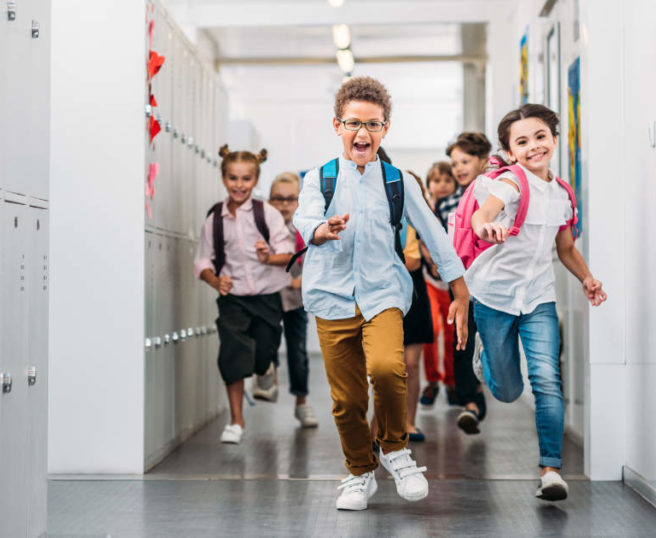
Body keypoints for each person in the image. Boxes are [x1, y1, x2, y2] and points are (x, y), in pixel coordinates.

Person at [293, 77, 470, 511]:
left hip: (383, 294)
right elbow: (304, 219)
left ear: (385, 129)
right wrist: (321, 229)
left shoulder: (398, 182)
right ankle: (358, 473)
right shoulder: (319, 178)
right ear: (337, 125)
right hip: (332, 297)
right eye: (353, 123)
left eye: (373, 125)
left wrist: (460, 291)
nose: (362, 133)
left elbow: (434, 233)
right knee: (346, 400)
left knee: (390, 369)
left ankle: (394, 449)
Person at [468, 104, 607, 501]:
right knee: (509, 391)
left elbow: (565, 247)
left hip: (538, 296)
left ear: (554, 140)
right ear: (511, 152)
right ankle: (488, 357)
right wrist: (487, 225)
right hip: (493, 295)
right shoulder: (510, 183)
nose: (533, 147)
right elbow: (482, 216)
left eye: (540, 137)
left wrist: (587, 278)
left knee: (547, 379)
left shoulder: (563, 193)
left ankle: (550, 470)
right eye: (522, 142)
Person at [193, 145, 295, 445]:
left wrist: (268, 257)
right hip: (233, 297)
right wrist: (215, 281)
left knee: (264, 350)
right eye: (233, 178)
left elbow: (288, 254)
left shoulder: (269, 214)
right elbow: (203, 260)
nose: (239, 185)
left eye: (246, 179)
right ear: (224, 178)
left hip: (266, 296)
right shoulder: (215, 218)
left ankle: (266, 369)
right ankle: (236, 420)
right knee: (232, 354)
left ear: (255, 180)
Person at [442, 132, 494, 434]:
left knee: (487, 346)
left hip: (489, 285)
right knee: (460, 342)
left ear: (483, 161)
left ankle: (481, 397)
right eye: (454, 163)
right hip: (462, 285)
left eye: (465, 160)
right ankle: (472, 403)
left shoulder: (492, 194)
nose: (459, 168)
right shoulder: (449, 202)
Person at [266, 172, 319, 428]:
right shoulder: (263, 226)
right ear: (269, 200)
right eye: (278, 199)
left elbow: (316, 259)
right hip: (269, 295)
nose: (285, 205)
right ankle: (270, 379)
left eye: (291, 199)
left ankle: (301, 402)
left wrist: (302, 280)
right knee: (267, 341)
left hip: (295, 297)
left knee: (297, 350)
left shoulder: (304, 228)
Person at [419, 162, 458, 408]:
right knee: (431, 331)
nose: (442, 185)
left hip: (453, 283)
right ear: (429, 185)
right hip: (430, 280)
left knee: (452, 333)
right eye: (436, 181)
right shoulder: (424, 209)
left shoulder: (457, 209)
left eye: (447, 180)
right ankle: (432, 381)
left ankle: (451, 382)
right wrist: (429, 258)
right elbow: (420, 238)